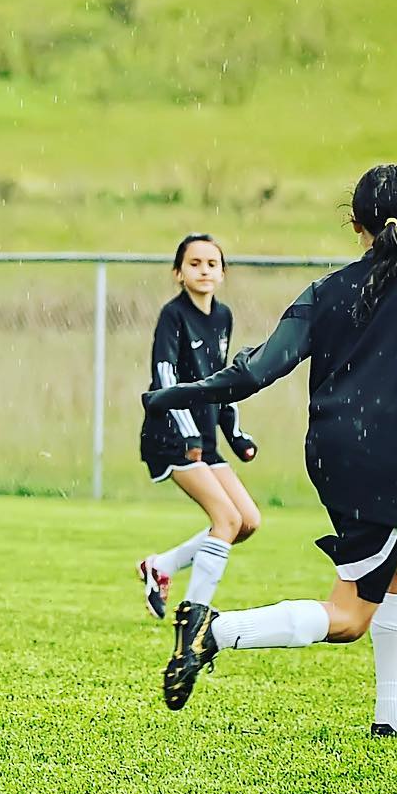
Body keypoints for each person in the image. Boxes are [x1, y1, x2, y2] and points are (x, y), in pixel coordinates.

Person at [144, 165, 397, 736]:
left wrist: (174, 394)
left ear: (354, 223)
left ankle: (393, 718)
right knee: (350, 618)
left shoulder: (325, 292)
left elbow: (255, 371)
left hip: (330, 453)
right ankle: (212, 631)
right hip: (384, 463)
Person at [137, 234, 259, 619]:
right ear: (178, 273)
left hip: (204, 439)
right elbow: (165, 376)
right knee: (225, 520)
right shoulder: (172, 316)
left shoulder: (223, 317)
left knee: (247, 522)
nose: (204, 270)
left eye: (212, 263)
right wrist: (187, 431)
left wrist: (235, 434)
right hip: (171, 435)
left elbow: (222, 380)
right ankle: (196, 613)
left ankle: (161, 566)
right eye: (194, 263)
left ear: (222, 273)